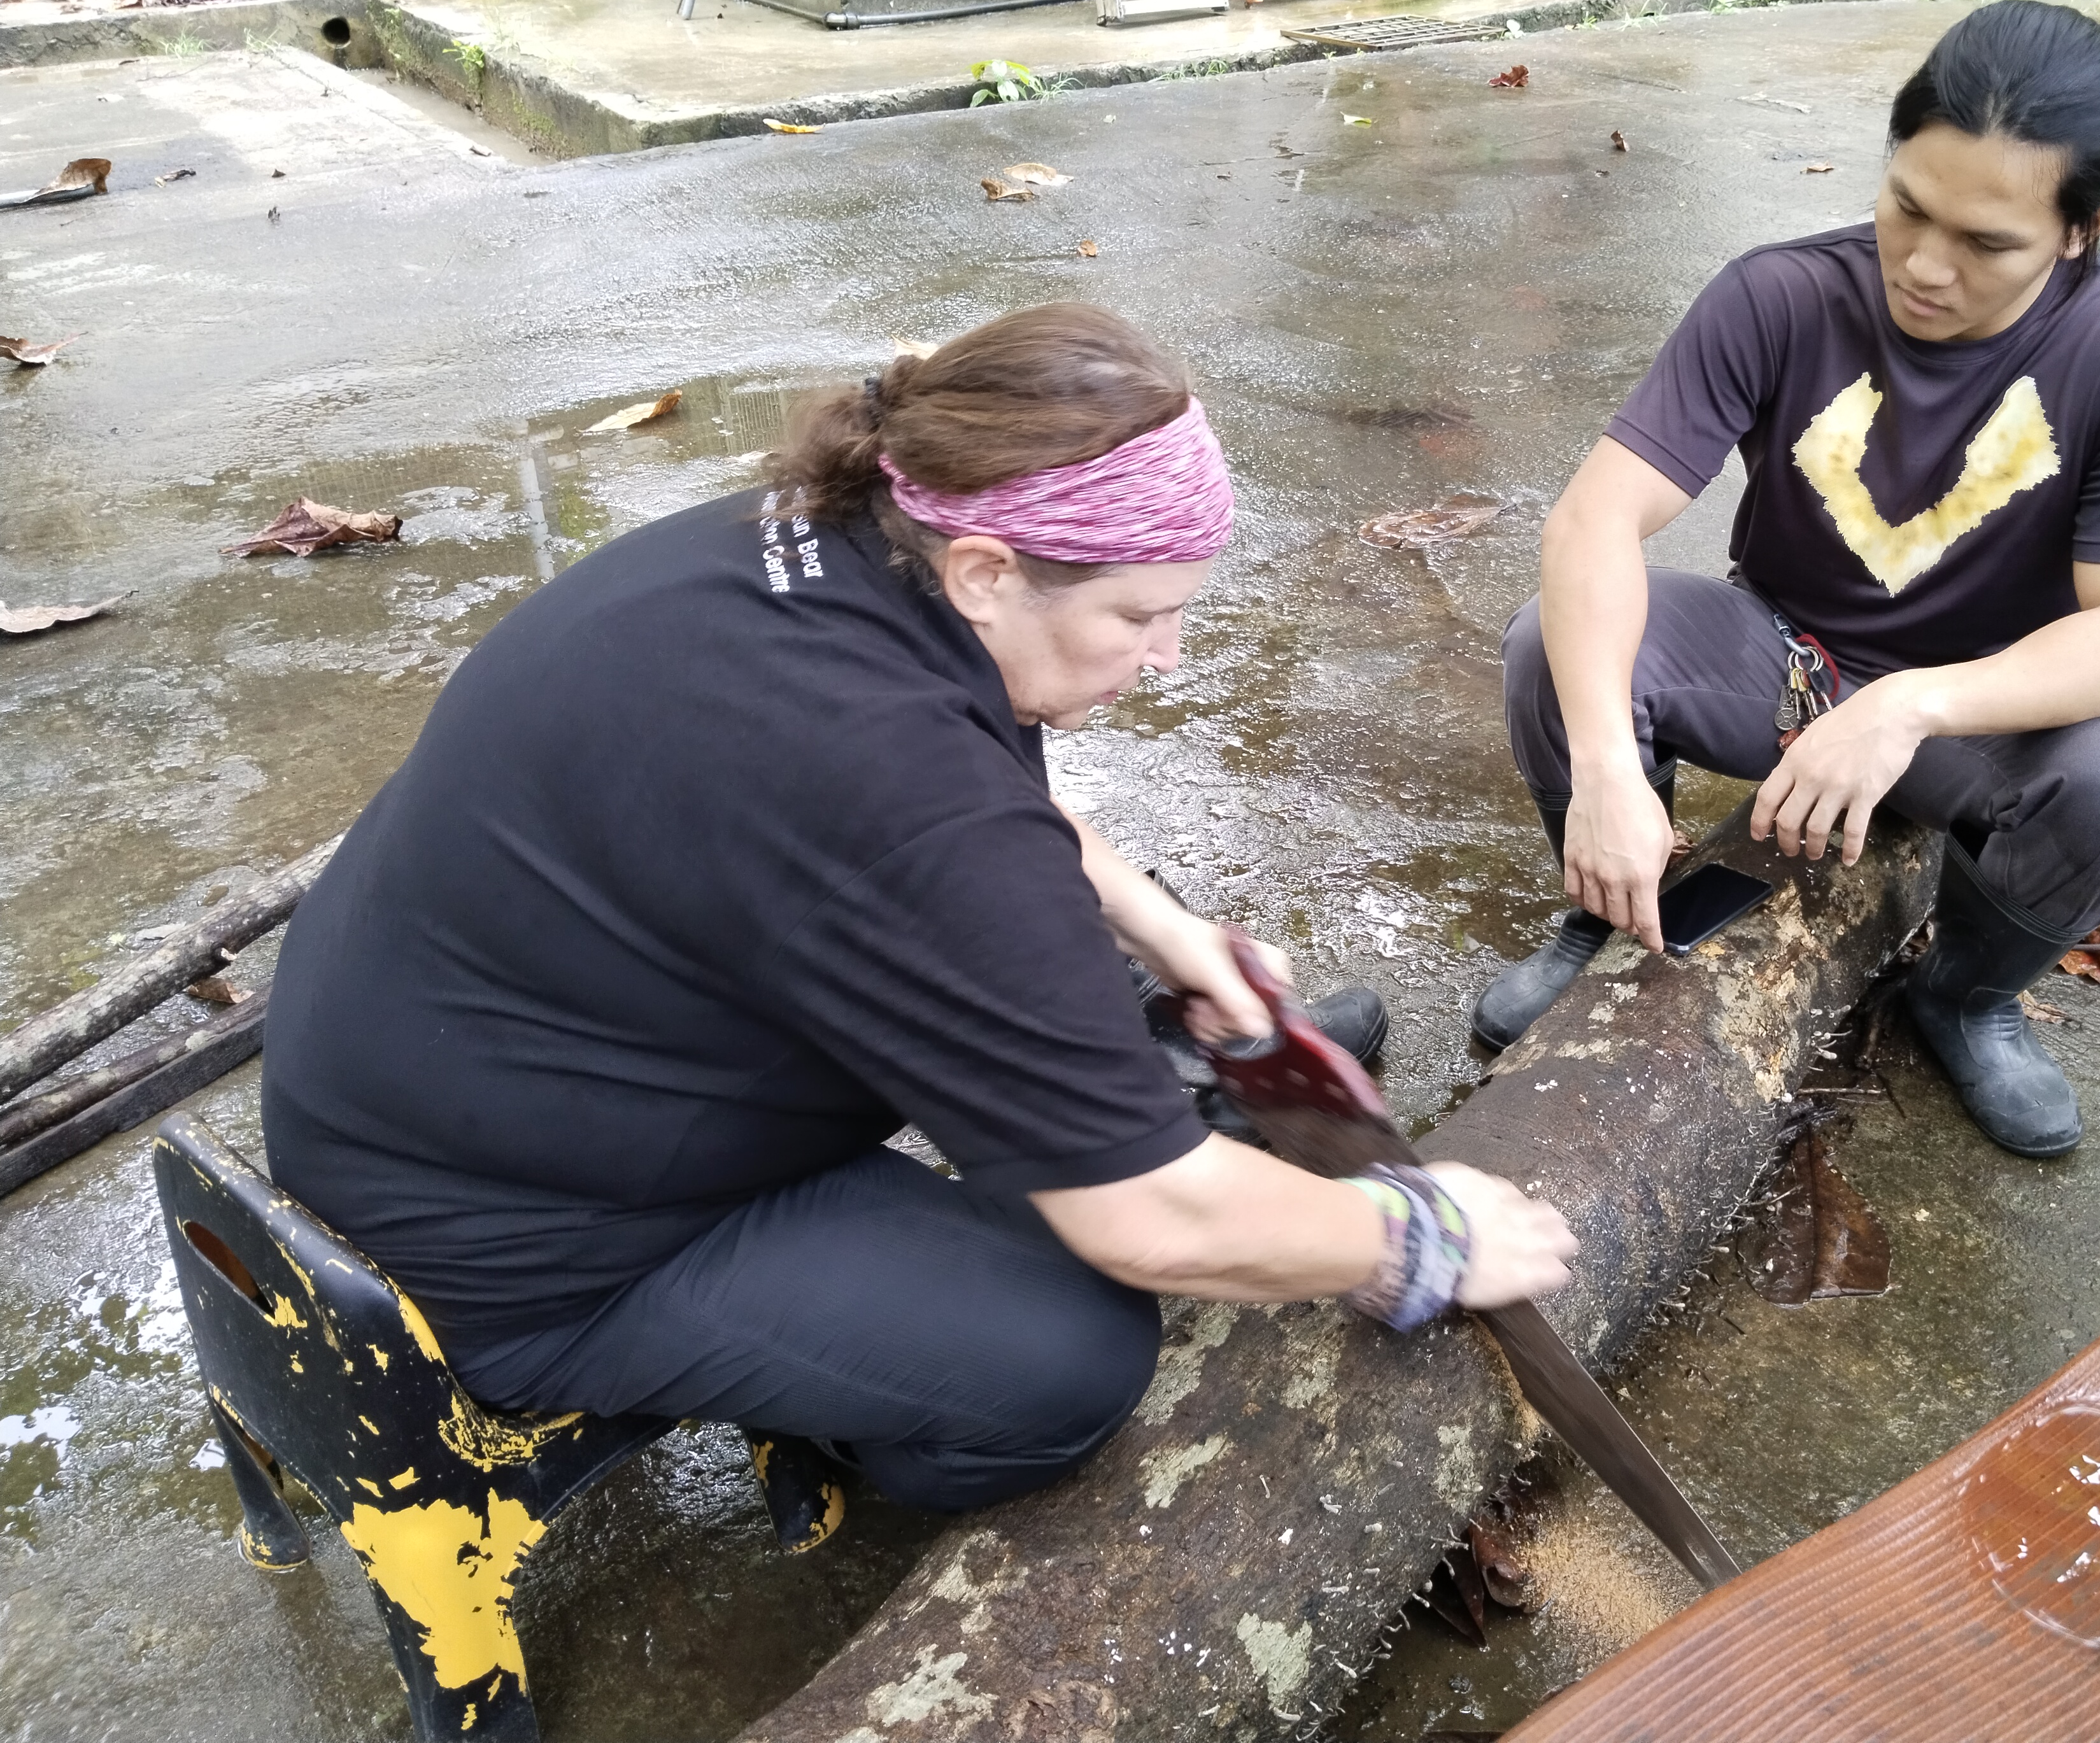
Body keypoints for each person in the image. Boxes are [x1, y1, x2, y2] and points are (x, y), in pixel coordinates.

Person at [263, 304, 1576, 1513]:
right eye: (1142, 615)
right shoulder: (901, 793)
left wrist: (1168, 936)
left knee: (1075, 1037)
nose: (1167, 657)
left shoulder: (831, 537)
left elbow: (965, 796)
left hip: (403, 1070)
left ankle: (1102, 1093)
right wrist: (1414, 1238)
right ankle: (842, 1442)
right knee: (1068, 1350)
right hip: (526, 1244)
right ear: (990, 572)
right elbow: (1150, 1218)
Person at [1474, 0, 2100, 1159]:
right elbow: (1593, 522)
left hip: (1980, 711)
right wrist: (1609, 776)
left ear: (2086, 229)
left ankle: (1967, 994)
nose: (1926, 267)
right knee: (1549, 644)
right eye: (1908, 207)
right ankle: (1608, 911)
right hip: (1783, 652)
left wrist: (1911, 704)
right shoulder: (1781, 296)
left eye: (1987, 243)